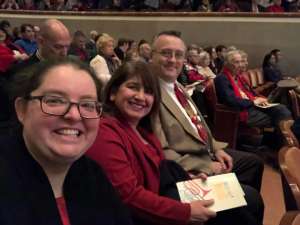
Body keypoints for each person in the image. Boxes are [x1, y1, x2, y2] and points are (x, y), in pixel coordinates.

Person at [151, 31, 265, 225]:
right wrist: (206, 166)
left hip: (206, 152)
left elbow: (199, 124)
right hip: (187, 166)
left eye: (178, 55)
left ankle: (232, 202)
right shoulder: (150, 91)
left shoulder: (176, 85)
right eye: (165, 53)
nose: (173, 60)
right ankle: (235, 207)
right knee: (251, 199)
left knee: (253, 163)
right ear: (152, 56)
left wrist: (217, 149)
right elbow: (161, 149)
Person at [0, 59, 132, 225]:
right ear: (21, 110)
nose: (74, 115)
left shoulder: (94, 176)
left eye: (87, 104)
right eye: (55, 100)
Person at [87, 61, 218, 225]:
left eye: (148, 92)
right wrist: (186, 212)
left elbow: (159, 172)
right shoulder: (104, 132)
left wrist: (185, 182)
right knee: (241, 206)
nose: (141, 96)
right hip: (142, 217)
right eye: (133, 87)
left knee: (245, 199)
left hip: (163, 201)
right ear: (113, 93)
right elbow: (128, 196)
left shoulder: (144, 131)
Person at [215, 50, 292, 129]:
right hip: (240, 112)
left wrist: (258, 99)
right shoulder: (222, 79)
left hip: (250, 106)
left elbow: (250, 92)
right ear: (227, 64)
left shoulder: (237, 77)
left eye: (241, 62)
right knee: (280, 118)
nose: (241, 65)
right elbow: (231, 100)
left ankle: (281, 138)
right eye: (236, 62)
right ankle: (283, 139)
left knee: (281, 109)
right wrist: (253, 102)